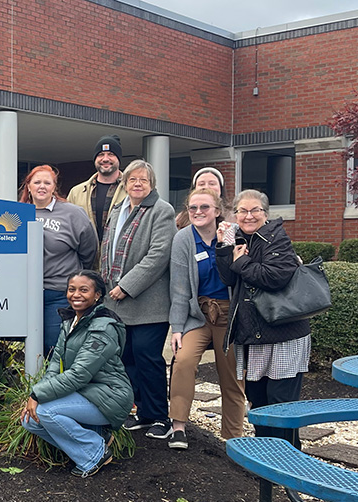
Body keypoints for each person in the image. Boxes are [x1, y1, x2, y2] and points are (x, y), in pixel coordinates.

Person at [216, 189, 310, 446]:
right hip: (254, 333)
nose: (248, 216)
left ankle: (286, 459)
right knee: (258, 400)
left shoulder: (276, 238)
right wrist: (224, 248)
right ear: (234, 214)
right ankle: (266, 456)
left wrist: (241, 263)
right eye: (242, 211)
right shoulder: (236, 238)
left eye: (255, 210)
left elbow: (274, 277)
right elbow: (227, 278)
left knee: (281, 404)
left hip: (283, 334)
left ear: (265, 214)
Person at [21, 270, 133, 478]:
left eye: (84, 290)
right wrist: (36, 394)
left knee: (46, 412)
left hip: (110, 397)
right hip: (88, 393)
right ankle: (97, 436)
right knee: (30, 420)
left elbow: (79, 374)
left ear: (97, 295)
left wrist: (37, 395)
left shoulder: (102, 328)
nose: (76, 295)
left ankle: (94, 453)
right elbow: (56, 365)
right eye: (71, 289)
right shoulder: (71, 322)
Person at [100, 159, 176, 439]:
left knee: (147, 357)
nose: (138, 184)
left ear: (152, 184)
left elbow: (158, 256)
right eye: (133, 180)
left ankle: (160, 416)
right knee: (127, 357)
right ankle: (143, 412)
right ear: (125, 183)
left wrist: (126, 285)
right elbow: (106, 248)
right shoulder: (118, 210)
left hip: (148, 304)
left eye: (144, 180)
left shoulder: (161, 210)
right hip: (116, 301)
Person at [167, 188, 246, 450]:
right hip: (197, 314)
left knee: (232, 373)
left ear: (217, 211)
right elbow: (179, 288)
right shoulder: (183, 239)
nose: (198, 212)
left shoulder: (234, 234)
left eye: (204, 207)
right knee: (183, 360)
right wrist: (177, 328)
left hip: (229, 314)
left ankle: (233, 436)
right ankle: (178, 426)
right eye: (193, 208)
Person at [19, 165, 98, 358]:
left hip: (59, 293)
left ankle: (55, 386)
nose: (42, 186)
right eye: (37, 182)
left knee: (54, 346)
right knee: (25, 348)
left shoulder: (73, 213)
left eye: (47, 182)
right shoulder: (17, 213)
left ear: (55, 187)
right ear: (28, 186)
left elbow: (89, 251)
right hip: (25, 293)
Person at [67, 135, 126, 242]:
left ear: (118, 158)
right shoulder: (76, 192)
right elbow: (67, 226)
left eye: (111, 154)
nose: (105, 159)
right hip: (85, 257)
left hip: (119, 256)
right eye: (101, 154)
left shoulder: (131, 191)